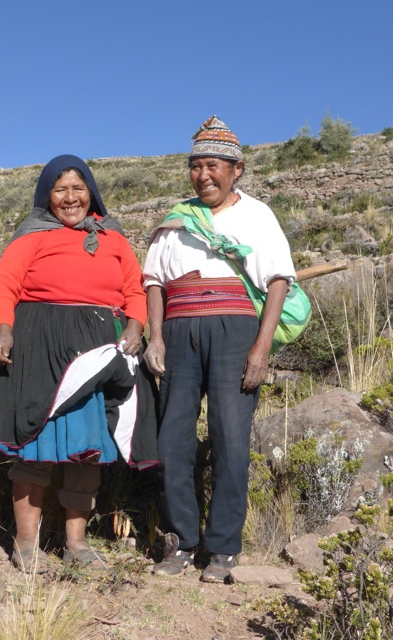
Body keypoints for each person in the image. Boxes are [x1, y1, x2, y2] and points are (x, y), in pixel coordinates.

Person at [0, 154, 158, 574]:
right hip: (40, 347)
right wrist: (3, 330)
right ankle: (26, 546)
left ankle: (77, 545)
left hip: (97, 355)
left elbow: (134, 291)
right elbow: (6, 285)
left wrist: (136, 327)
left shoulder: (114, 239)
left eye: (78, 188)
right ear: (47, 195)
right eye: (61, 189)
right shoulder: (31, 235)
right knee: (35, 444)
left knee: (87, 451)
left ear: (92, 193)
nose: (71, 198)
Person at [142, 116, 296, 583]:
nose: (203, 175)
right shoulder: (176, 218)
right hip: (179, 330)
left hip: (236, 332)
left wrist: (261, 348)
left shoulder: (257, 214)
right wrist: (155, 337)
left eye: (213, 166)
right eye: (195, 166)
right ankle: (181, 541)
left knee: (231, 439)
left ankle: (224, 546)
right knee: (173, 441)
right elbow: (153, 281)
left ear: (237, 169)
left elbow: (277, 282)